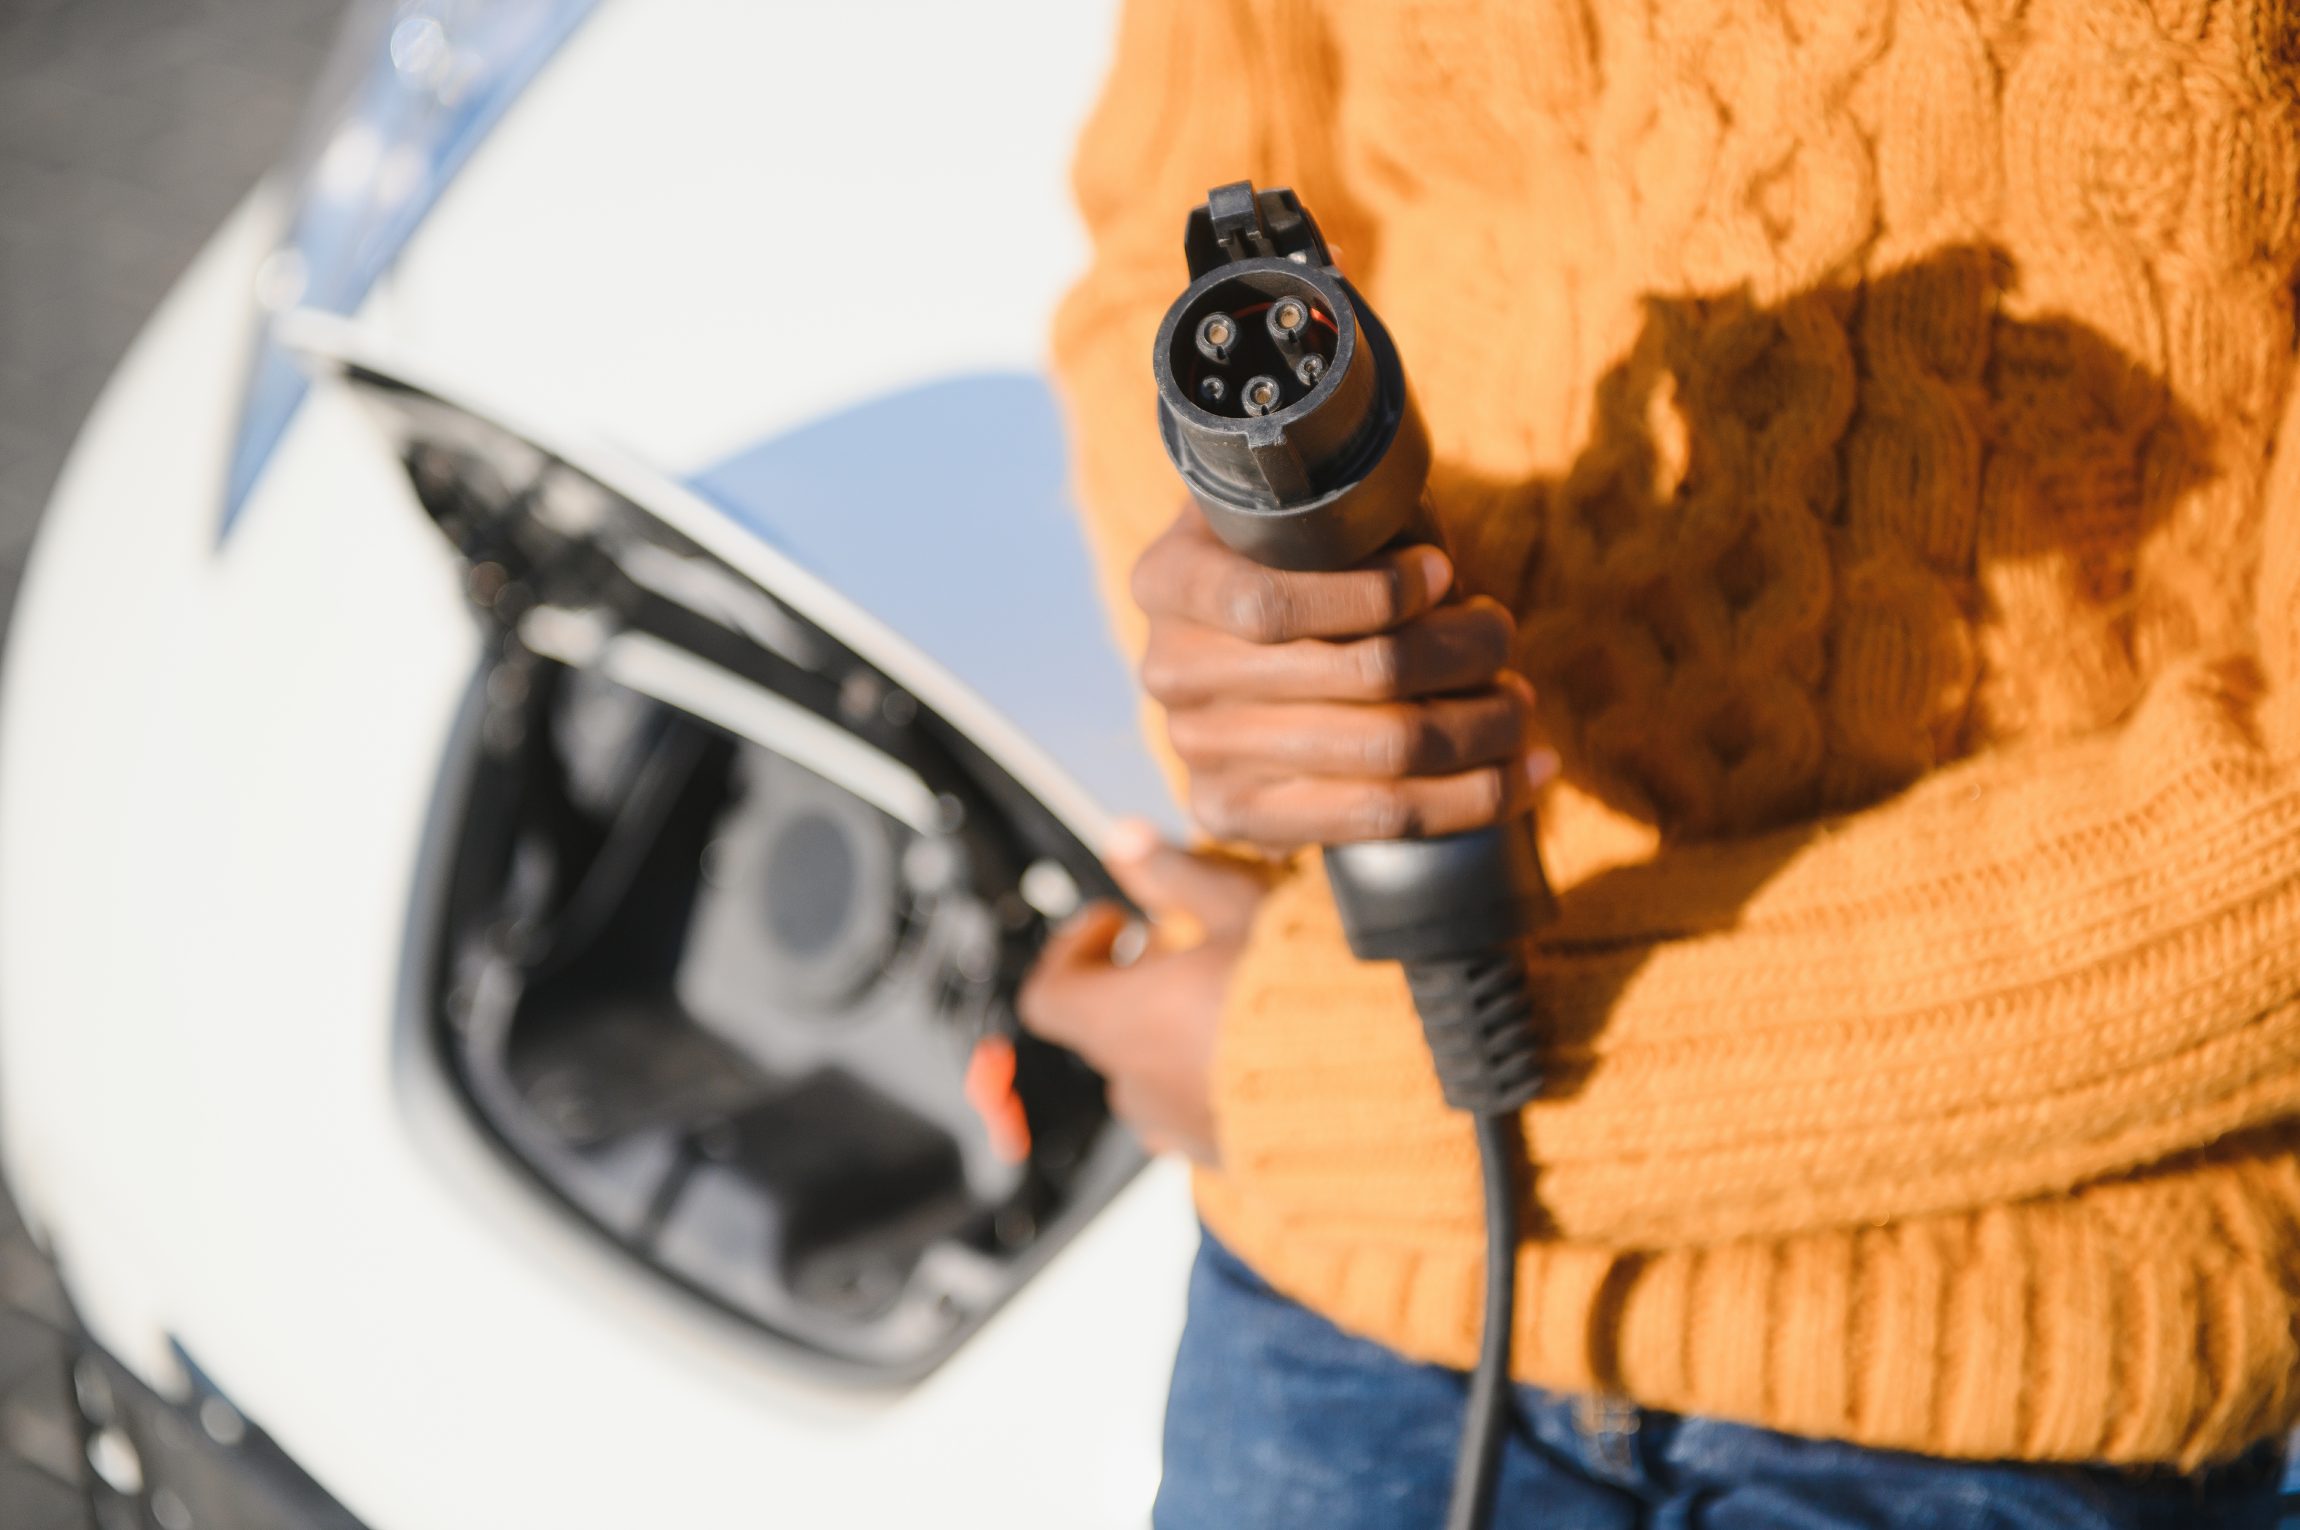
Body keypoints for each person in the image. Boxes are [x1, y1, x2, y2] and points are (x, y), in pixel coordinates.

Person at [1019, 0, 2300, 1524]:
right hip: (1357, 1311)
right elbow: (1174, 235)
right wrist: (1271, 659)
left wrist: (1341, 1085)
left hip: (2019, 1344)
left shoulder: (1335, 1092)